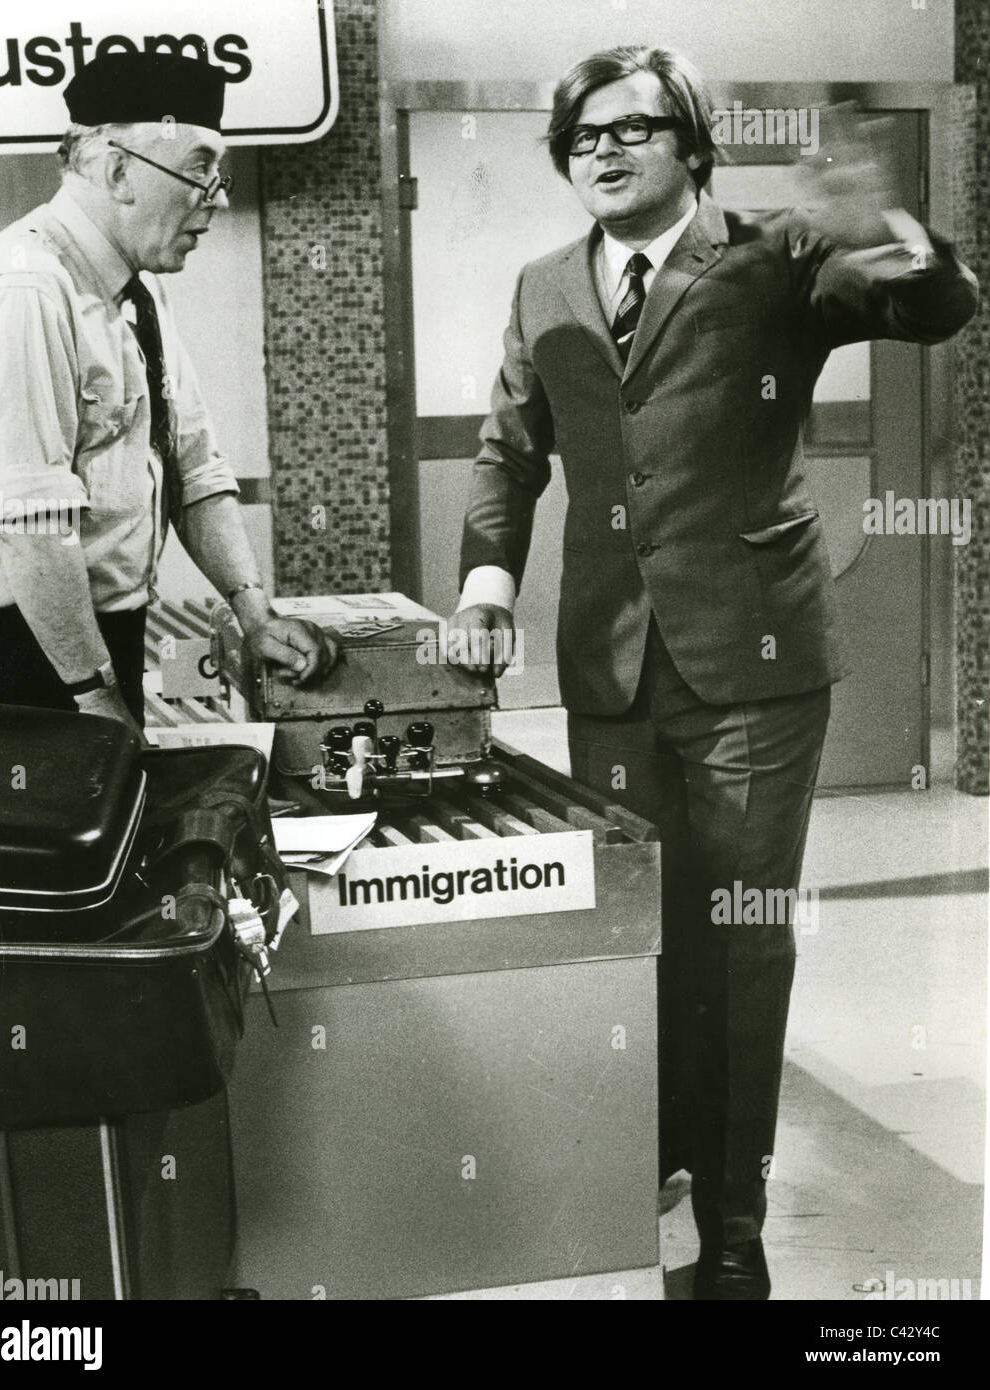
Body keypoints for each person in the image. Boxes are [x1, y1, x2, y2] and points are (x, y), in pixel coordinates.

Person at [450, 44, 978, 1299]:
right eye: (581, 136)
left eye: (632, 129)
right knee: (648, 930)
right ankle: (665, 1154)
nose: (603, 151)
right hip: (610, 665)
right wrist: (481, 584)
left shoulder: (778, 254)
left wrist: (889, 224)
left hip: (752, 660)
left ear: (693, 145)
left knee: (738, 940)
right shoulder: (541, 286)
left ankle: (730, 1230)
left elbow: (934, 307)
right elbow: (506, 447)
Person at [0, 52, 336, 735]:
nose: (215, 197)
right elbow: (30, 525)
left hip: (96, 641)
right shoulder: (28, 290)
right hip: (16, 658)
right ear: (118, 170)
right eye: (198, 169)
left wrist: (255, 616)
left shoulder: (137, 288)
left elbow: (194, 464)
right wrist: (96, 701)